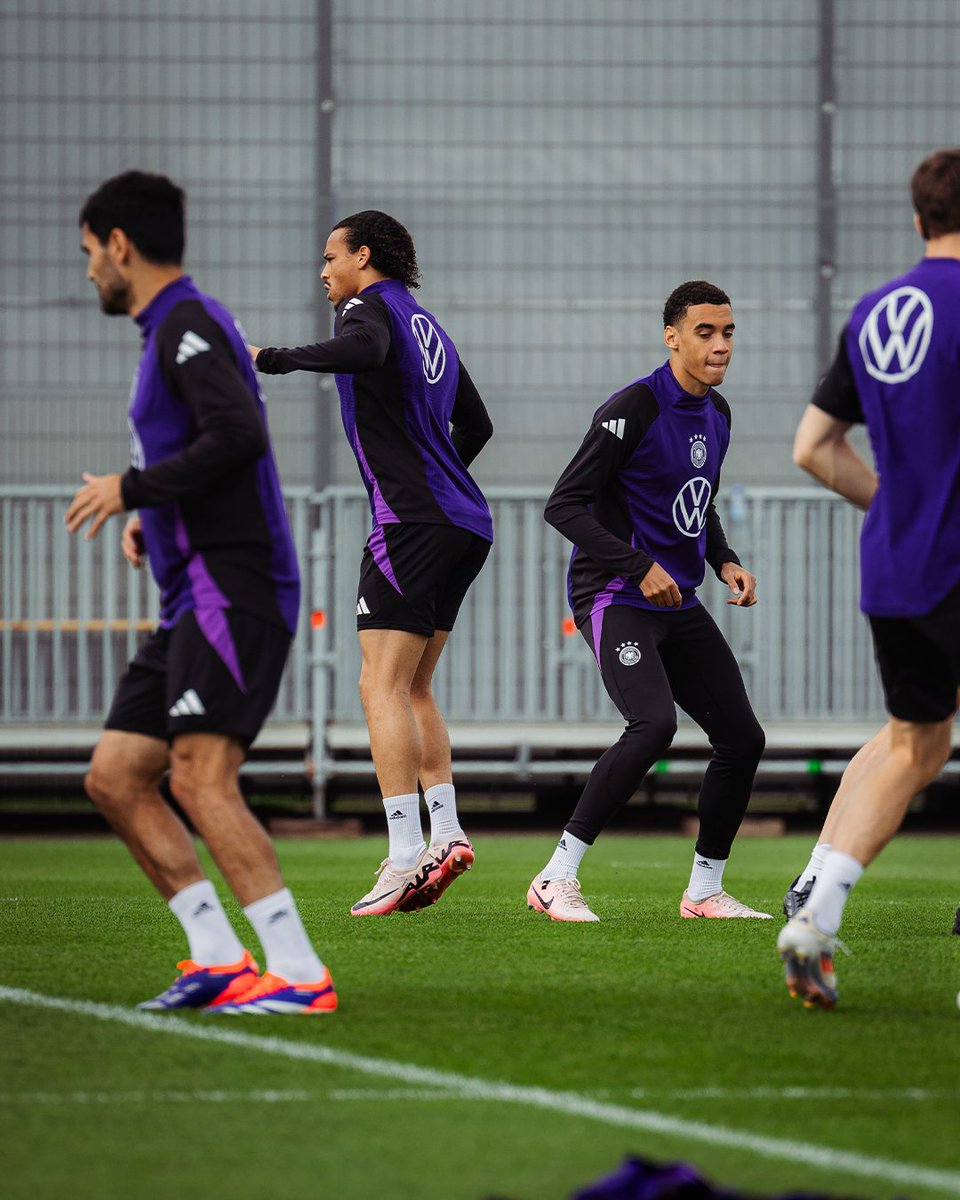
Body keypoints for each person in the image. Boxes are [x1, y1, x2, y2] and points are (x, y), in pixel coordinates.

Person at [66, 170, 336, 1015]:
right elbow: (208, 446)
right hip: (190, 594)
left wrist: (136, 490)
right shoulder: (167, 331)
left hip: (236, 587)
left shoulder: (186, 321)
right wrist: (160, 512)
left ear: (120, 246)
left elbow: (239, 434)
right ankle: (217, 958)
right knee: (114, 775)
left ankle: (298, 973)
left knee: (200, 776)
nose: (87, 275)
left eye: (87, 255)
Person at [251, 210, 493, 916]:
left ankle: (401, 853)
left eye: (331, 256)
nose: (323, 271)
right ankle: (444, 833)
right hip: (464, 523)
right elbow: (476, 424)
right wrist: (439, 479)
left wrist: (270, 358)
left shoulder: (368, 308)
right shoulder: (428, 325)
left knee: (377, 686)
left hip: (413, 523)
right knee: (414, 688)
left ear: (363, 256)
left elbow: (359, 350)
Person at [779, 146, 960, 1009]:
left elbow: (813, 447)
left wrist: (899, 506)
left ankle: (816, 915)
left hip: (895, 564)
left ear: (917, 217)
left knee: (915, 742)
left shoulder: (877, 311)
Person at [527, 281, 768, 922]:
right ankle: (556, 877)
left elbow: (699, 500)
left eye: (728, 333)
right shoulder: (634, 405)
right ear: (672, 336)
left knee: (743, 739)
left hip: (678, 601)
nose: (720, 346)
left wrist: (724, 559)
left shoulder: (717, 414)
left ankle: (705, 890)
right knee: (654, 725)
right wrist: (639, 565)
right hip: (614, 594)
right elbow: (564, 505)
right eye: (705, 333)